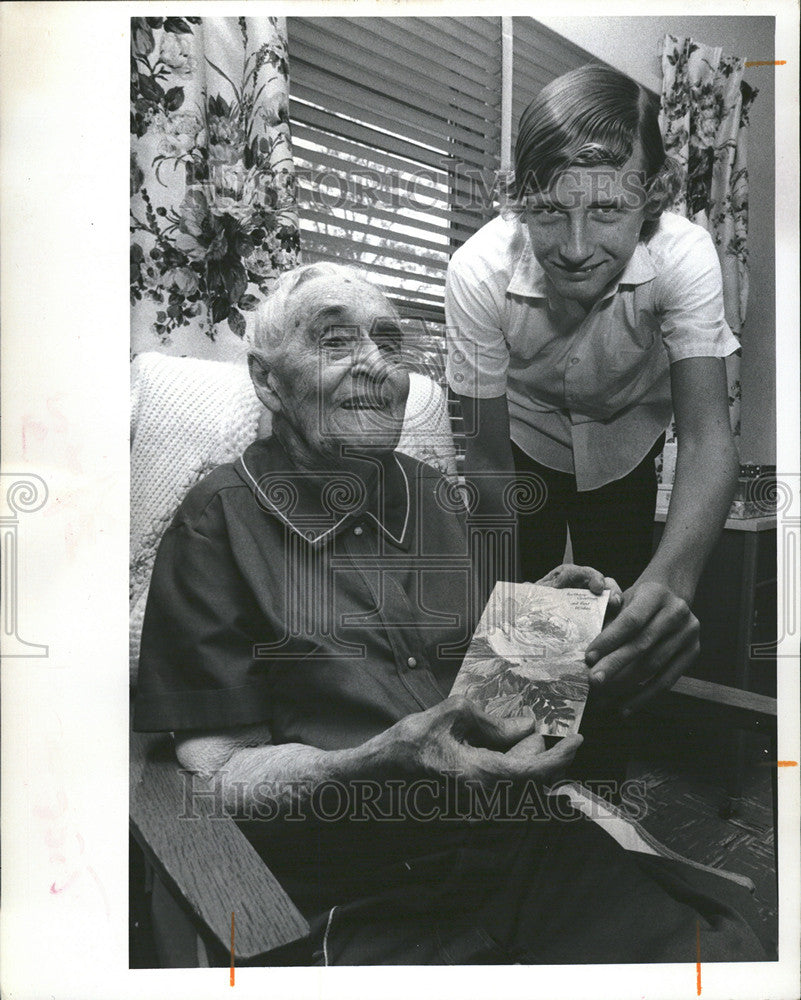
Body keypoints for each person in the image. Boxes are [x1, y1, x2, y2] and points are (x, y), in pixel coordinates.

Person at [134, 263, 766, 966]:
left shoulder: (435, 493)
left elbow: (481, 686)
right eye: (336, 341)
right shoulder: (214, 525)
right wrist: (371, 765)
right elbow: (217, 771)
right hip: (348, 880)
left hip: (510, 841)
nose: (374, 364)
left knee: (717, 957)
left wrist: (556, 622)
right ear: (266, 379)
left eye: (388, 341)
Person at [445, 65, 740, 721]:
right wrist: (502, 612)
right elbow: (486, 463)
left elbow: (705, 438)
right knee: (519, 663)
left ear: (651, 198)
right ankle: (516, 801)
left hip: (625, 447)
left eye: (607, 209)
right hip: (519, 448)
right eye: (550, 211)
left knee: (622, 636)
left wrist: (673, 583)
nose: (576, 249)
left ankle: (602, 778)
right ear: (520, 199)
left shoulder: (684, 255)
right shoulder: (476, 270)